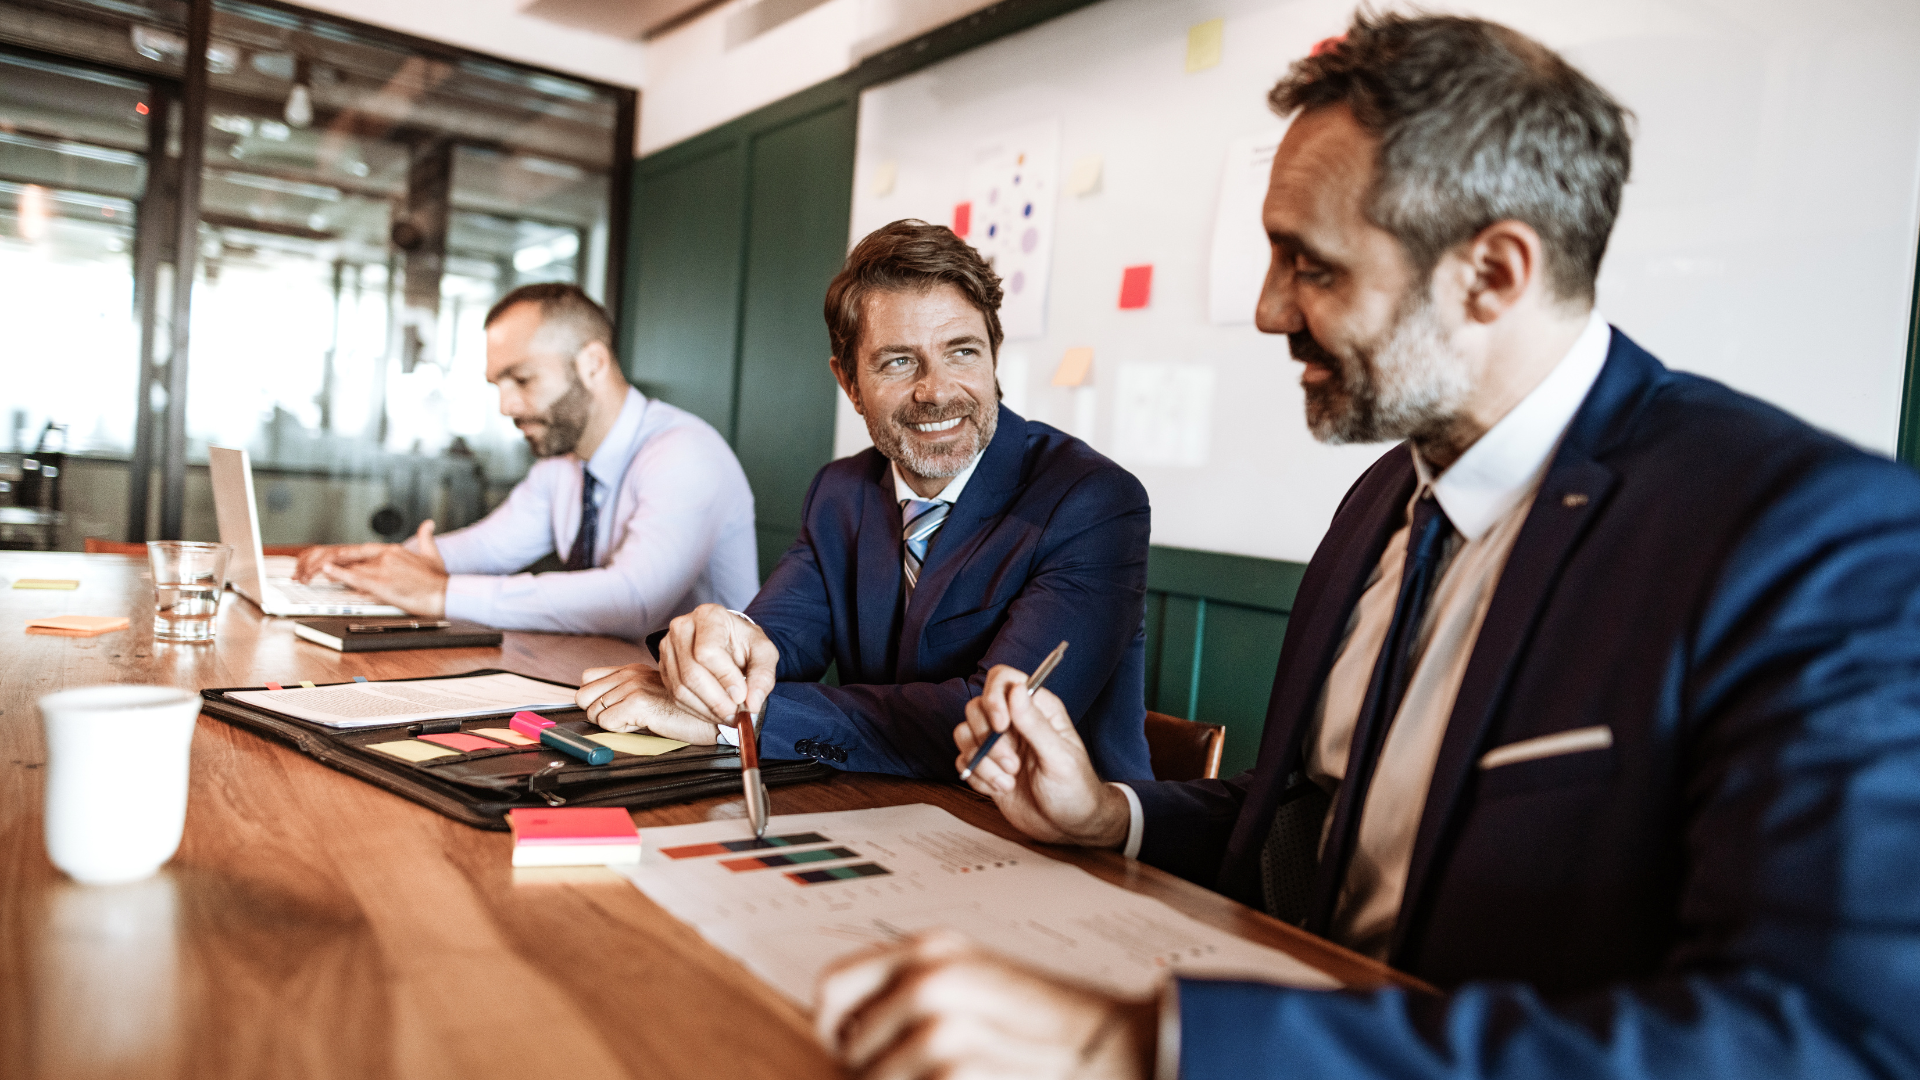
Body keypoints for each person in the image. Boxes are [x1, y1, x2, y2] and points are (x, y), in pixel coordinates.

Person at [812, 13, 1920, 1080]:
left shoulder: (1809, 539)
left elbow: (1823, 1042)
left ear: (1492, 273)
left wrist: (1144, 1046)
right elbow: (1314, 822)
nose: (1264, 309)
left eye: (1313, 265)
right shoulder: (1381, 503)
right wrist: (1116, 814)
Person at [577, 221, 1154, 781]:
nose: (937, 390)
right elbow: (776, 641)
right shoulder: (841, 491)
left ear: (993, 356)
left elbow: (992, 725)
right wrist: (720, 652)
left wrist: (739, 720)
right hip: (881, 813)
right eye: (899, 361)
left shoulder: (1093, 502)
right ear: (849, 383)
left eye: (962, 352)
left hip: (1061, 850)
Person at [294, 283, 758, 640]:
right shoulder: (563, 465)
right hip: (619, 686)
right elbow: (486, 549)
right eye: (498, 384)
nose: (506, 407)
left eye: (522, 379)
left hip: (716, 724)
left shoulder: (684, 453)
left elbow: (632, 601)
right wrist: (366, 563)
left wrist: (441, 593)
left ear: (592, 363)